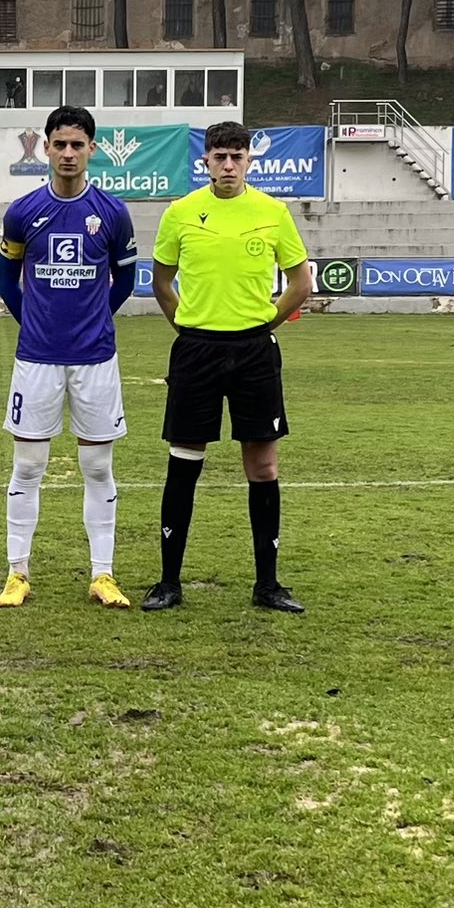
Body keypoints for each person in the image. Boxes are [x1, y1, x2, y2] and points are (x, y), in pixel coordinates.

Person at [143, 121, 311, 615]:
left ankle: (268, 585)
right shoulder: (180, 213)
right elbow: (162, 280)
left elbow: (300, 283)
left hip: (255, 351)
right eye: (220, 156)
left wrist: (265, 323)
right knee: (184, 460)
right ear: (207, 161)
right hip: (196, 350)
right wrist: (188, 327)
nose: (229, 165)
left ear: (249, 160)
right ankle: (169, 582)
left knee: (263, 465)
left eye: (237, 156)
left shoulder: (272, 212)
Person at [0, 107, 137, 610]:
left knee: (98, 466)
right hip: (37, 357)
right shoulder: (22, 211)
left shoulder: (113, 212)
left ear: (92, 149)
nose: (69, 153)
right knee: (28, 464)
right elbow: (7, 280)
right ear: (46, 149)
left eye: (78, 144)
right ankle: (17, 574)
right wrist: (33, 320)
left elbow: (128, 281)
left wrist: (95, 317)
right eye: (60, 144)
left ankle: (103, 574)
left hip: (95, 357)